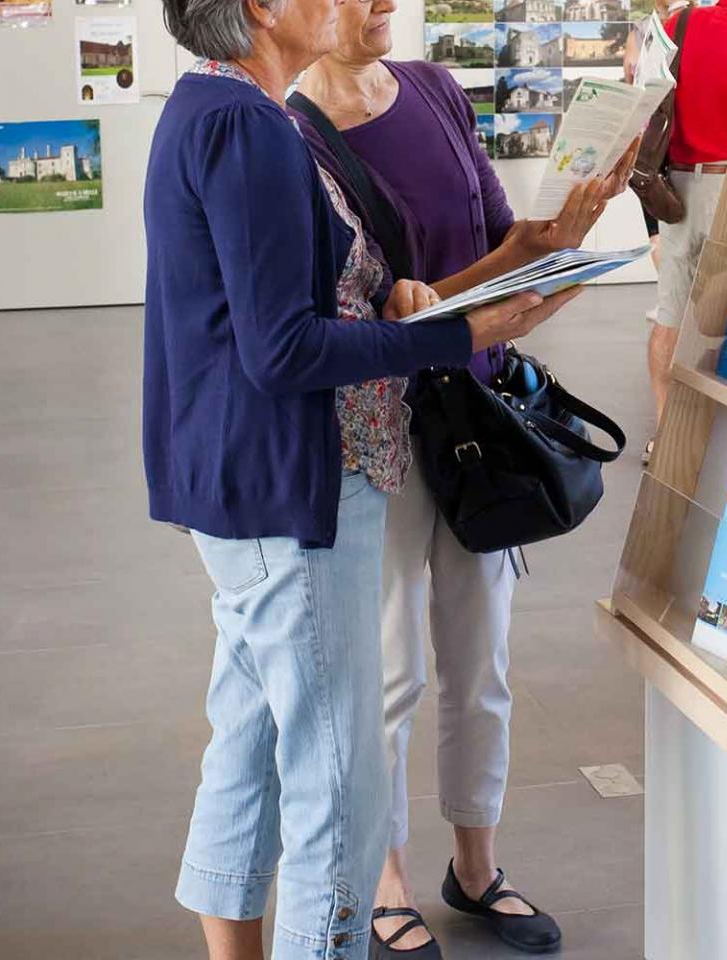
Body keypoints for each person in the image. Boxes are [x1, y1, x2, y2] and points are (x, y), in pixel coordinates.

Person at [147, 2, 580, 957]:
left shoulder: (211, 109)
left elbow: (276, 311)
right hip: (292, 483)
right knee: (339, 785)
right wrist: (453, 334)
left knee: (252, 747)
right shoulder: (251, 128)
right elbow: (282, 350)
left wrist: (402, 300)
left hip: (249, 482)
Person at [290, 4, 631, 956]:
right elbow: (334, 313)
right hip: (383, 431)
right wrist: (442, 306)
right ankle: (387, 879)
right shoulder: (294, 134)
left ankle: (476, 868)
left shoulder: (437, 91)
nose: (382, 7)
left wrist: (567, 240)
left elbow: (502, 237)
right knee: (392, 672)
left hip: (478, 415)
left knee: (482, 663)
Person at [644, 0, 727, 450]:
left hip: (676, 189)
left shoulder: (679, 23)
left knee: (669, 316)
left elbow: (648, 102)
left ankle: (665, 435)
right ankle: (721, 442)